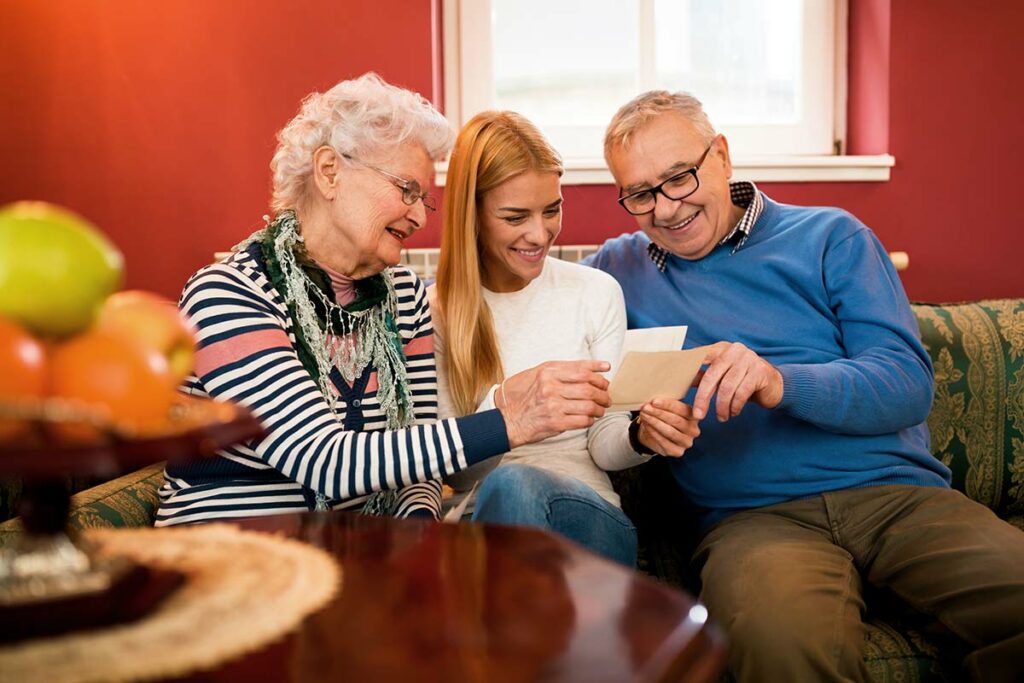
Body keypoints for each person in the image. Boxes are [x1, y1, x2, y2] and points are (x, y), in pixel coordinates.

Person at [584, 90, 1024, 680]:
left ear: (722, 156)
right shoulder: (616, 271)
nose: (666, 208)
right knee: (781, 646)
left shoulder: (831, 238)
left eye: (680, 178)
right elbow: (524, 294)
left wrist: (779, 381)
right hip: (753, 522)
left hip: (898, 499)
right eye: (640, 194)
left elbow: (906, 383)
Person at [155, 75, 612, 526]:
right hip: (233, 561)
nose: (418, 215)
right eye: (406, 190)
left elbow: (418, 465)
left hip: (356, 555)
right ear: (329, 171)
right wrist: (510, 420)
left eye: (424, 200)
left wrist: (413, 540)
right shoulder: (230, 294)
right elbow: (323, 460)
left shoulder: (405, 297)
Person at [429, 110, 699, 565]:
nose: (540, 234)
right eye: (515, 217)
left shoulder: (594, 292)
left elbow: (604, 441)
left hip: (591, 521)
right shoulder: (434, 312)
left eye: (551, 209)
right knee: (508, 487)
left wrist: (640, 436)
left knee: (517, 485)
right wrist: (507, 408)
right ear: (471, 214)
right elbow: (457, 472)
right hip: (482, 525)